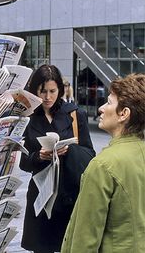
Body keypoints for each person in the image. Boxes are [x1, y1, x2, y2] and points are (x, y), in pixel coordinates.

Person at [61, 73, 145, 253]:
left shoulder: (103, 165)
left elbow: (84, 240)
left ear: (124, 114)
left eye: (108, 102)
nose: (101, 108)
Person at [19, 64, 95, 253]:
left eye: (53, 91)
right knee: (41, 247)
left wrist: (69, 150)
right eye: (43, 91)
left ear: (60, 90)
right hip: (41, 194)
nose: (48, 97)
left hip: (69, 193)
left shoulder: (75, 114)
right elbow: (23, 163)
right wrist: (39, 155)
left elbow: (89, 154)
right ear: (35, 90)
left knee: (69, 245)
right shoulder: (27, 118)